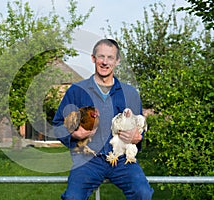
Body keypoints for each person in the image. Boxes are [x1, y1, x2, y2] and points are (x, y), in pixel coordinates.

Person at [52, 39, 154, 200]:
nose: (105, 62)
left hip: (122, 160)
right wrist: (74, 134)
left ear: (117, 61)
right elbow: (57, 125)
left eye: (110, 57)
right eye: (101, 57)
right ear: (93, 58)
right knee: (73, 197)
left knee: (143, 193)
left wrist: (137, 138)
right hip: (87, 161)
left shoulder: (130, 93)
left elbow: (140, 128)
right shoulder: (77, 91)